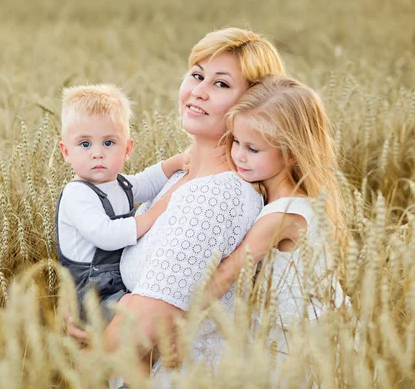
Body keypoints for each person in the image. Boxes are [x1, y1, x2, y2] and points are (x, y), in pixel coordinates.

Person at [66, 27, 287, 385]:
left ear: (253, 105)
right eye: (197, 75)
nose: (198, 91)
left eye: (221, 84)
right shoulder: (179, 179)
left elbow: (138, 331)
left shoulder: (215, 197)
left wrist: (80, 363)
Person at [204, 74, 348, 377]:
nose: (239, 155)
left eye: (253, 149)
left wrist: (175, 317)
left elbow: (226, 274)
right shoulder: (285, 197)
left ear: (292, 152)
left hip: (299, 342)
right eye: (236, 142)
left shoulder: (282, 215)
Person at [56, 83, 186, 321]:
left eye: (108, 143)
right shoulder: (77, 194)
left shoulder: (120, 185)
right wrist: (155, 213)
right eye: (85, 144)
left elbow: (147, 182)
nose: (97, 153)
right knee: (139, 316)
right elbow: (106, 235)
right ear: (66, 152)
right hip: (92, 293)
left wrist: (175, 163)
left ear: (127, 149)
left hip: (117, 285)